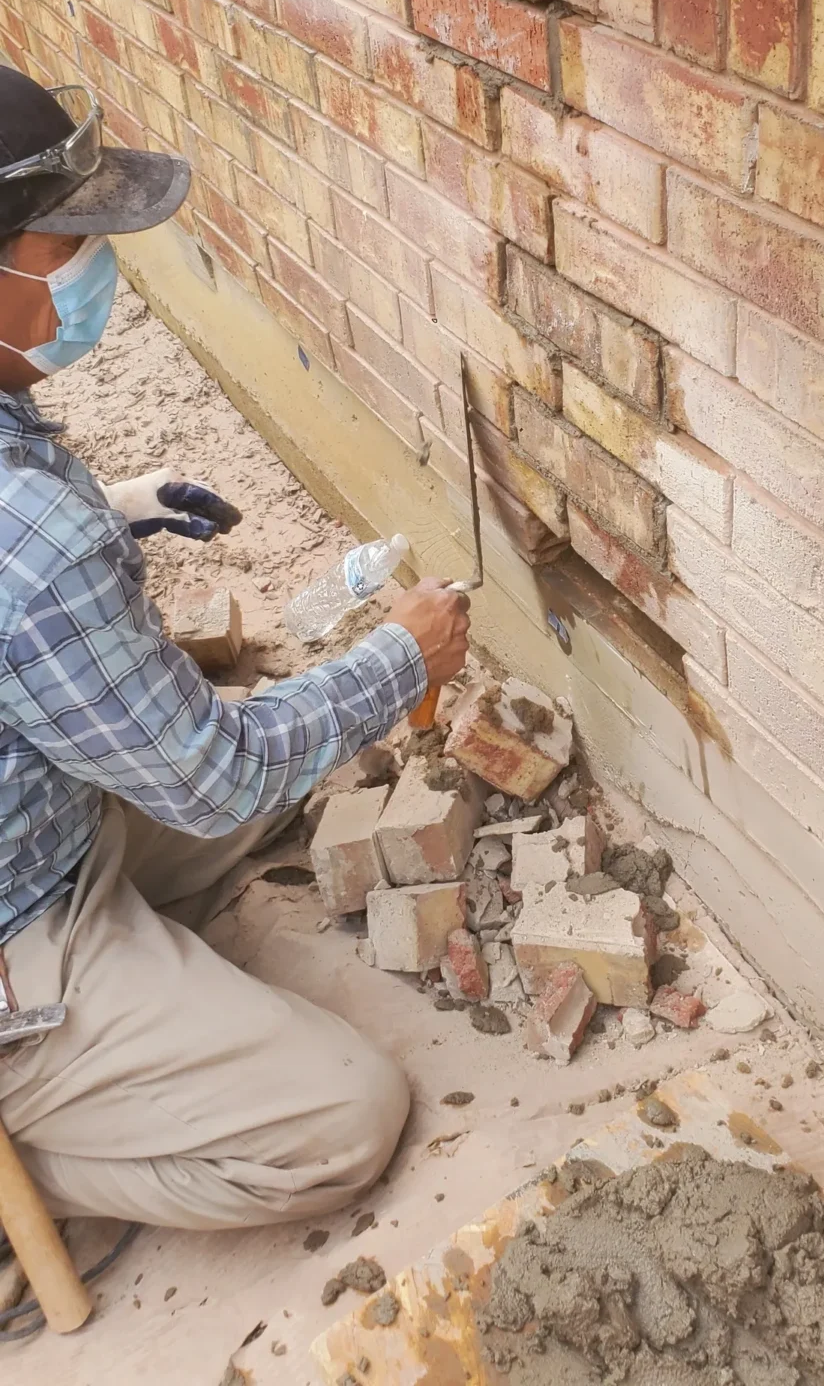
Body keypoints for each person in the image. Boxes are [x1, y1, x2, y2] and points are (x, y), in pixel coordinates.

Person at [0, 68, 471, 1231]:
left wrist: (111, 508)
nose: (97, 267)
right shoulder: (34, 545)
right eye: (70, 241)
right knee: (343, 1118)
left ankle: (133, 996)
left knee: (298, 769)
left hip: (38, 832)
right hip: (20, 928)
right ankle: (36, 1156)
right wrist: (398, 664)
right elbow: (215, 784)